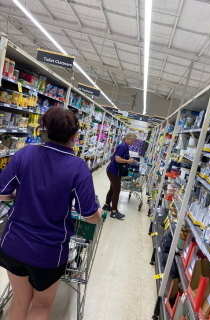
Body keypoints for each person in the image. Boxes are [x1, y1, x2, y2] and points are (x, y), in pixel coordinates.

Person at [0, 106, 102, 320]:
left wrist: (20, 194)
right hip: (48, 253)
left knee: (18, 301)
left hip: (13, 245)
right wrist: (99, 213)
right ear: (75, 136)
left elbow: (2, 192)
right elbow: (88, 215)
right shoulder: (78, 167)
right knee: (40, 307)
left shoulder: (25, 154)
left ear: (45, 130)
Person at [103, 132, 137, 219]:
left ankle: (106, 205)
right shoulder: (122, 146)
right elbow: (117, 159)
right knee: (116, 191)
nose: (133, 142)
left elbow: (124, 157)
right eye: (133, 140)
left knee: (112, 189)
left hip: (115, 171)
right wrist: (128, 161)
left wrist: (131, 160)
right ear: (128, 138)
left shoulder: (126, 147)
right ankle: (114, 212)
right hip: (114, 171)